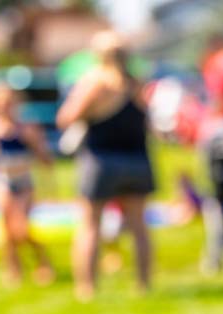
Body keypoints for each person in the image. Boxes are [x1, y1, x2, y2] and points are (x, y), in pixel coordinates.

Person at [58, 32, 156, 300]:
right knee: (138, 226)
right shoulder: (137, 84)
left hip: (101, 161)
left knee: (90, 224)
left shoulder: (95, 82)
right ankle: (143, 285)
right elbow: (147, 123)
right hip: (137, 159)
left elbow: (66, 118)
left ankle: (87, 289)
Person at [0, 82, 54, 285]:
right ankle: (13, 269)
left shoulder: (26, 126)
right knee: (6, 231)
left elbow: (45, 159)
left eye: (9, 102)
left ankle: (42, 259)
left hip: (23, 182)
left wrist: (32, 141)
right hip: (0, 181)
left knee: (20, 229)